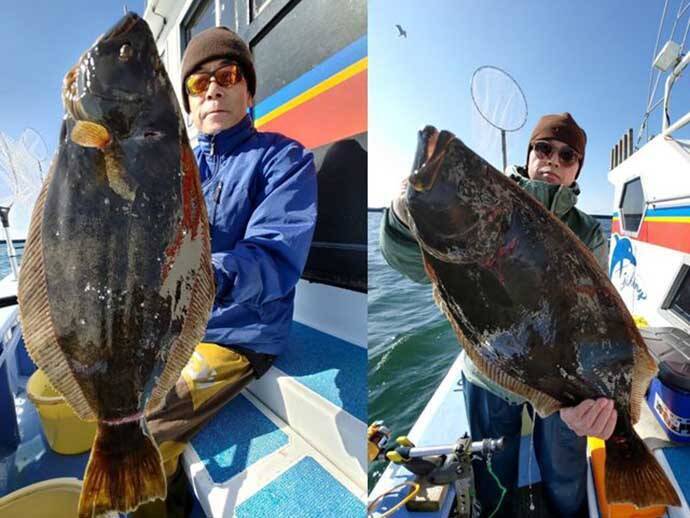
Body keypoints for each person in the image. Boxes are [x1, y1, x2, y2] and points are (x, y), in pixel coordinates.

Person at [380, 113, 614, 517]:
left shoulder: (589, 232)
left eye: (567, 154)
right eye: (544, 148)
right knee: (493, 471)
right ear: (529, 153)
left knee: (565, 473)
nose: (553, 160)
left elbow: (590, 321)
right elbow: (416, 265)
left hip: (561, 386)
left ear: (577, 168)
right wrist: (404, 221)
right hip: (489, 373)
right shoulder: (485, 201)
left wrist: (588, 397)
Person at [135, 26, 317, 517]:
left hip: (240, 334)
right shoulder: (174, 168)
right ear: (190, 103)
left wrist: (200, 281)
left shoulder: (286, 159)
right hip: (176, 331)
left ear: (249, 90)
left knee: (138, 428)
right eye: (198, 83)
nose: (212, 88)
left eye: (227, 75)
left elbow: (274, 257)